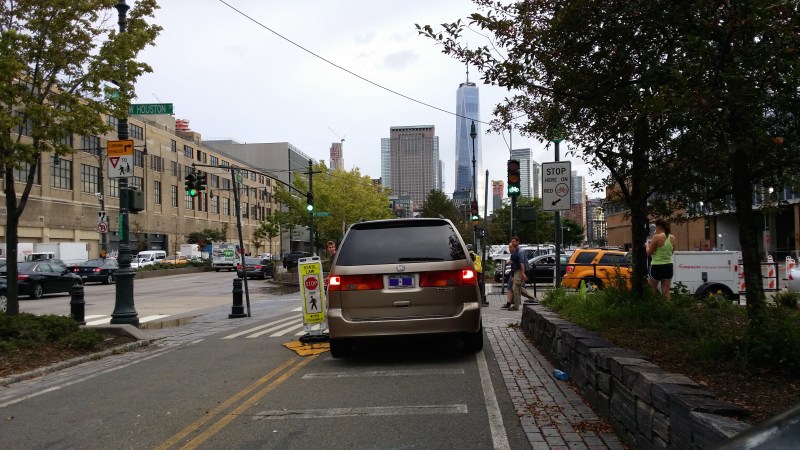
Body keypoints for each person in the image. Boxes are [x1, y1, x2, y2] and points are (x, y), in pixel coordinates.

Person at [502, 236, 535, 310]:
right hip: (515, 272)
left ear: (518, 242)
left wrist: (523, 273)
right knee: (518, 288)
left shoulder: (520, 251)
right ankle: (533, 299)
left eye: (514, 241)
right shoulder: (514, 252)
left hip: (519, 271)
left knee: (515, 288)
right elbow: (513, 262)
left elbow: (522, 263)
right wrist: (508, 262)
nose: (513, 243)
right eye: (512, 241)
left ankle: (516, 306)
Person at [647, 218, 676, 298]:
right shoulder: (672, 238)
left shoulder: (656, 237)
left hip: (657, 266)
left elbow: (649, 253)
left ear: (659, 226)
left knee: (652, 290)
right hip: (668, 266)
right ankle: (668, 309)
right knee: (666, 292)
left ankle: (653, 309)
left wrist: (647, 246)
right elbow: (671, 253)